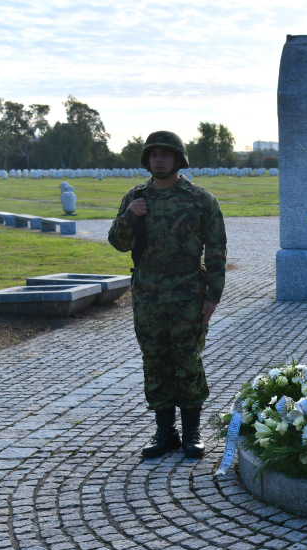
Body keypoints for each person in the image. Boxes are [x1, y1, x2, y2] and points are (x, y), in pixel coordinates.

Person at [108, 131, 227, 459]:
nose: (158, 159)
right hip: (147, 296)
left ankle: (191, 431)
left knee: (187, 361)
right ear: (147, 160)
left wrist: (213, 296)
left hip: (188, 296)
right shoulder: (136, 196)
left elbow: (216, 251)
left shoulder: (200, 200)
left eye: (165, 154)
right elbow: (118, 243)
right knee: (155, 362)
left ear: (178, 159)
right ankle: (165, 432)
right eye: (153, 154)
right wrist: (130, 215)